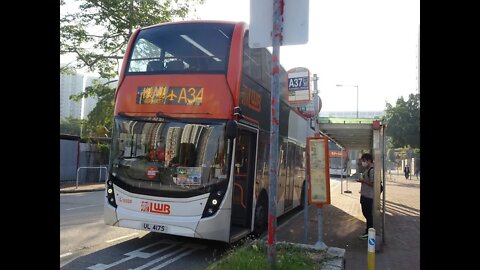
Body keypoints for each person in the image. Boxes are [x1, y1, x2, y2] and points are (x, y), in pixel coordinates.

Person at [356, 153, 374, 240]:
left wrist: (363, 181)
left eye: (364, 161)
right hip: (365, 195)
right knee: (366, 214)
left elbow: (373, 184)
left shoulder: (372, 170)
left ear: (369, 161)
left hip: (368, 196)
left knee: (368, 215)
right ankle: (368, 231)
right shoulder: (368, 169)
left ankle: (369, 233)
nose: (363, 163)